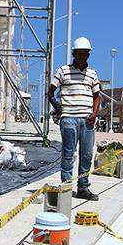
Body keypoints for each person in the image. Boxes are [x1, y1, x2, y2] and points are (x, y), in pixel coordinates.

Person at [47, 37, 101, 201]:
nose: (82, 57)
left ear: (88, 55)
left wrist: (94, 113)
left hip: (87, 120)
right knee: (68, 154)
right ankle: (67, 187)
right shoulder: (63, 71)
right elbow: (50, 92)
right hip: (69, 119)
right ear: (74, 54)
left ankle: (83, 188)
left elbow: (97, 96)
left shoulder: (92, 74)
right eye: (79, 54)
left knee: (87, 155)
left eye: (85, 54)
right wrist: (59, 109)